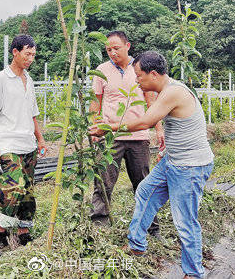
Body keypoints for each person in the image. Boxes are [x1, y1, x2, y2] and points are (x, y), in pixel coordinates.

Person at [89, 51, 214, 279]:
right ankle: (136, 244)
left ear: (154, 74)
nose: (136, 81)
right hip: (174, 160)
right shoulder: (168, 89)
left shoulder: (173, 92)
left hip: (189, 165)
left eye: (139, 77)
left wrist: (108, 127)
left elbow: (145, 121)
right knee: (145, 192)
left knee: (185, 221)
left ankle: (194, 273)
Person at [90, 31, 163, 238]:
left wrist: (158, 130)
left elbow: (151, 102)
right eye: (108, 50)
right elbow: (95, 104)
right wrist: (95, 129)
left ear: (128, 46)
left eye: (116, 48)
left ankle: (151, 227)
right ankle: (98, 227)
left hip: (139, 136)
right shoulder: (101, 71)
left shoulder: (140, 69)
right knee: (103, 183)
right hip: (110, 137)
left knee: (143, 183)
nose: (112, 53)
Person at [0, 34, 47, 248]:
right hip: (8, 144)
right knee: (14, 188)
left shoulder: (28, 80)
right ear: (15, 52)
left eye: (33, 55)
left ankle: (23, 232)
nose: (31, 58)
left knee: (28, 191)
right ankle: (0, 231)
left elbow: (33, 113)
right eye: (27, 54)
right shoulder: (0, 79)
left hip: (28, 144)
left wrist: (40, 138)